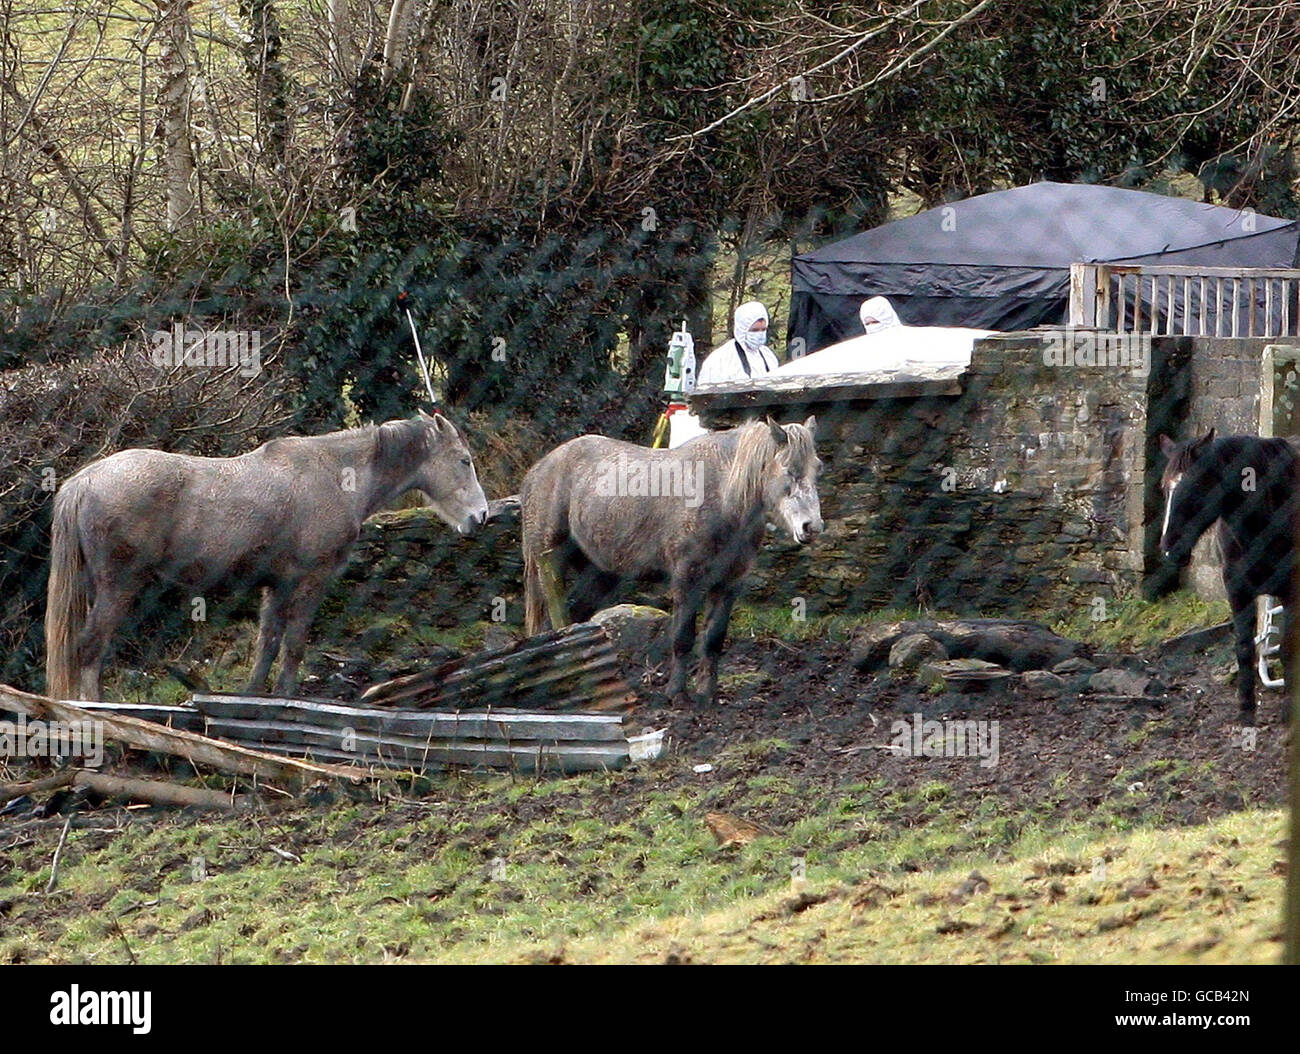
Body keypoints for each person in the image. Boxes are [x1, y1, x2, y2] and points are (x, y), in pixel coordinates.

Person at [696, 301, 779, 385]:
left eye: (763, 329)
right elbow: (708, 393)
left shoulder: (768, 356)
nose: (760, 334)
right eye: (755, 330)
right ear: (742, 329)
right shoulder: (721, 360)